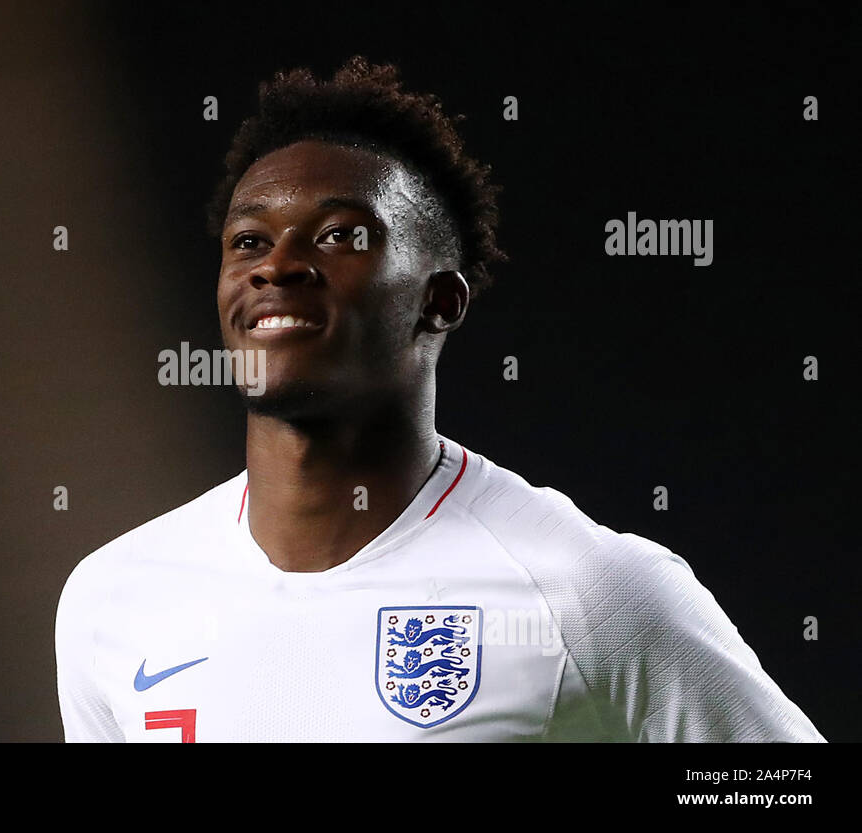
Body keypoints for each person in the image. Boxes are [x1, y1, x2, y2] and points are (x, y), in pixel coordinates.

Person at [55, 57, 825, 742]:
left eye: (338, 237)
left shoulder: (585, 589)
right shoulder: (114, 597)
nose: (278, 264)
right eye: (249, 240)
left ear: (440, 301)